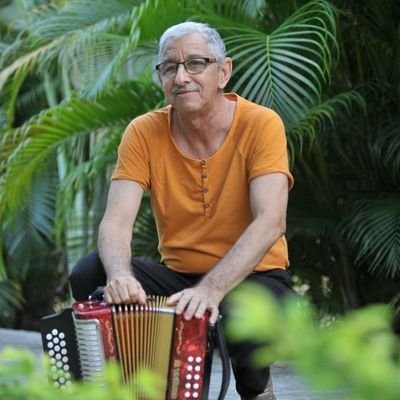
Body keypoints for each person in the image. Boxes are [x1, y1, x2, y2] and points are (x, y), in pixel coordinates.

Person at [69, 21, 294, 400]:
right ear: (160, 77)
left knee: (244, 321)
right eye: (169, 67)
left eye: (195, 63)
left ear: (223, 72)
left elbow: (271, 220)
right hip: (177, 277)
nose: (181, 76)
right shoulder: (143, 132)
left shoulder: (261, 123)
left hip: (257, 276)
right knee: (91, 272)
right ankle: (141, 386)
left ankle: (257, 388)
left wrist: (212, 290)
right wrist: (120, 275)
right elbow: (116, 220)